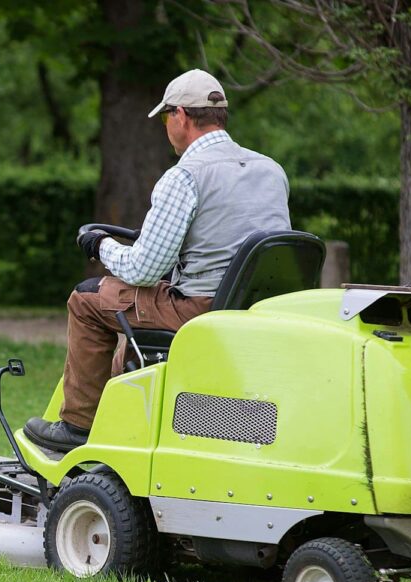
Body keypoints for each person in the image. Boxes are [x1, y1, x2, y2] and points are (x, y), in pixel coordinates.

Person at [24, 68, 291, 453]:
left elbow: (143, 269)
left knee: (87, 299)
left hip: (201, 311)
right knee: (129, 310)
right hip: (254, 309)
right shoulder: (271, 170)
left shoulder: (185, 176)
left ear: (181, 115)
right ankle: (120, 422)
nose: (166, 125)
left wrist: (99, 246)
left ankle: (77, 427)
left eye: (166, 116)